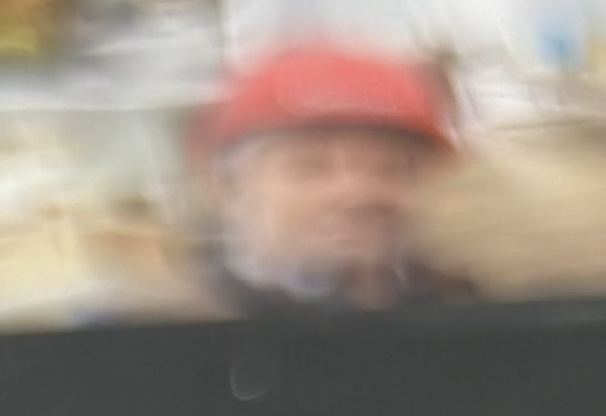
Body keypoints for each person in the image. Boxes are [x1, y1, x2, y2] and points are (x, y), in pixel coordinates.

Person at [198, 42, 467, 311]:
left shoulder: (463, 308)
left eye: (392, 169)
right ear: (231, 188)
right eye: (312, 167)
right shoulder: (193, 319)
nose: (357, 194)